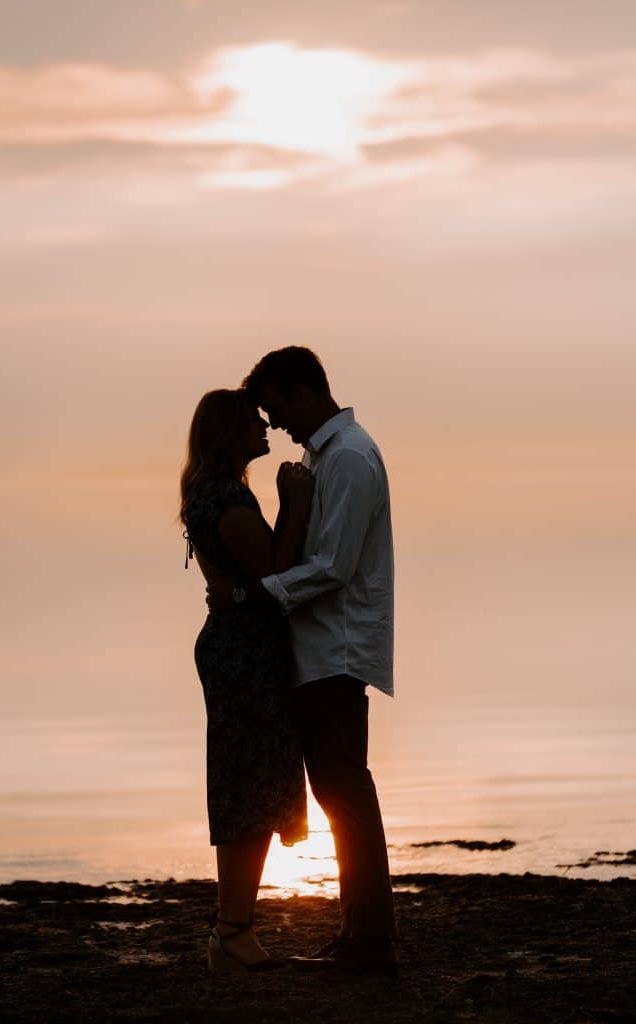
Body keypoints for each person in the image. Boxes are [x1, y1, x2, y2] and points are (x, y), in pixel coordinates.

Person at [209, 347, 397, 976]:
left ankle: (370, 941)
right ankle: (359, 934)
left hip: (336, 649)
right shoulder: (325, 457)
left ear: (302, 391)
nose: (275, 423)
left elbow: (335, 566)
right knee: (339, 792)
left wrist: (253, 593)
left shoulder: (347, 457)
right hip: (317, 647)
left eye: (275, 408)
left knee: (345, 792)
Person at [180, 388, 314, 974]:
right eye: (254, 422)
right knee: (249, 790)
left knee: (247, 788)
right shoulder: (227, 498)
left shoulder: (210, 492)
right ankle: (232, 930)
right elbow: (275, 573)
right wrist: (294, 503)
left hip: (237, 648)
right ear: (230, 433)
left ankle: (232, 928)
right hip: (243, 655)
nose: (266, 427)